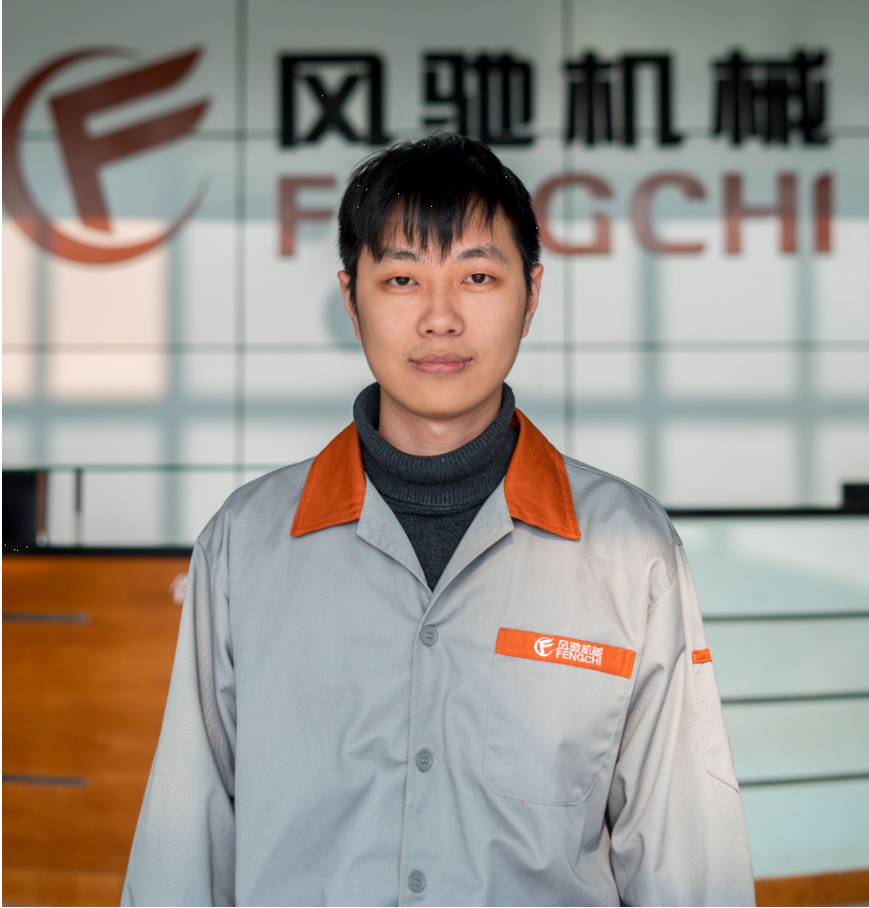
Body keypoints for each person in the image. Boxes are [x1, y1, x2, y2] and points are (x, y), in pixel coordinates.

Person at [122, 133, 755, 906]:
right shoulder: (246, 543)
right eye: (401, 279)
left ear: (531, 292)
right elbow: (183, 848)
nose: (440, 318)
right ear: (351, 298)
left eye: (477, 276)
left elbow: (688, 860)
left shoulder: (627, 550)